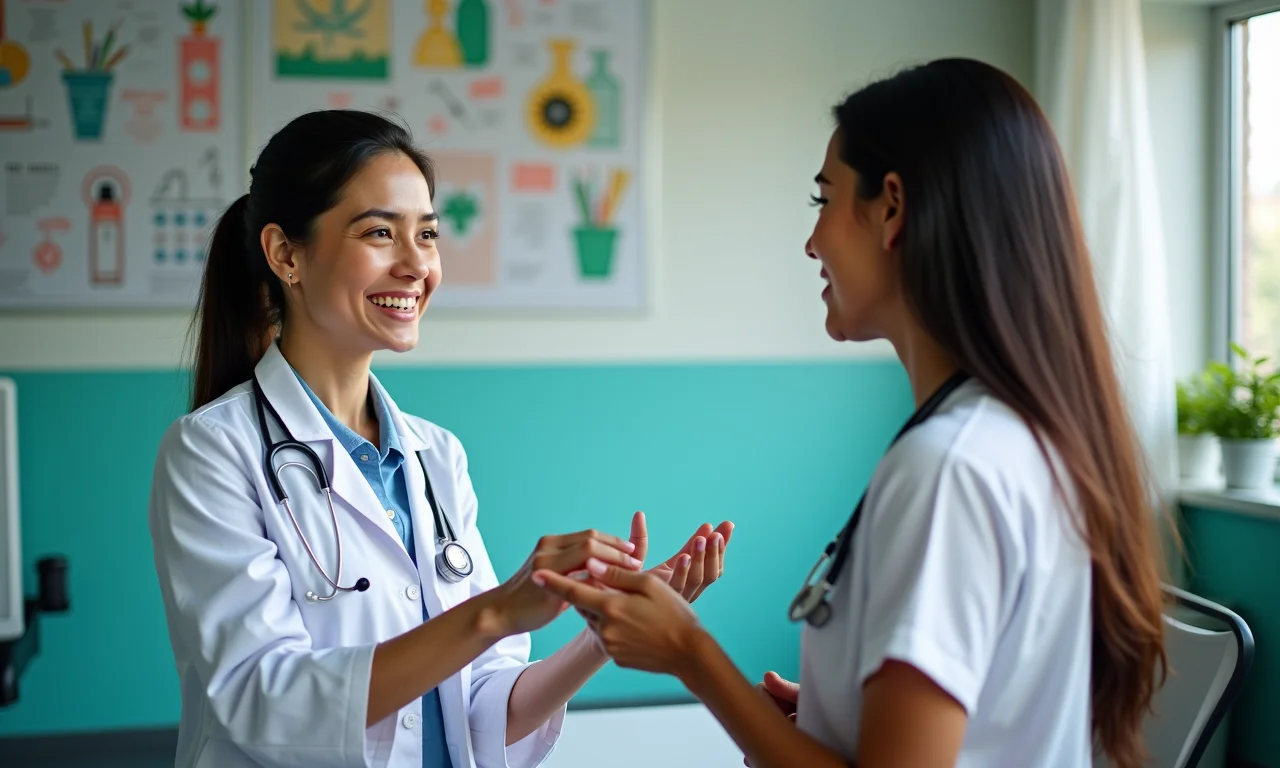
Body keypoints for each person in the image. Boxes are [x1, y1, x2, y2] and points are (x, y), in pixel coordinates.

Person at [534, 58, 1172, 768]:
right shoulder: (1019, 438)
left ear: (892, 208)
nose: (812, 243)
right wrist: (834, 718)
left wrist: (690, 653)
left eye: (824, 199)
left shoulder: (949, 467)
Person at [147, 109, 734, 768]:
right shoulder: (212, 451)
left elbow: (482, 709)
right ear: (287, 255)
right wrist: (494, 612)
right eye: (379, 232)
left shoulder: (435, 458)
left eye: (427, 234)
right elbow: (266, 703)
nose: (415, 265)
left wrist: (600, 632)